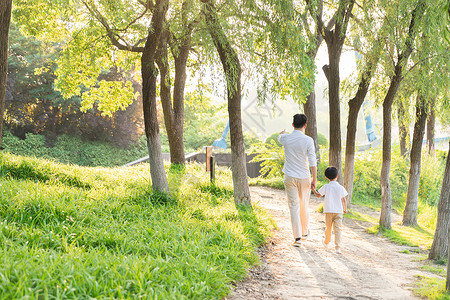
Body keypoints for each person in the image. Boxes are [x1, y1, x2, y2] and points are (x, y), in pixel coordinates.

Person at [278, 113, 317, 247]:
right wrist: (314, 179)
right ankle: (305, 232)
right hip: (304, 177)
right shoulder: (308, 140)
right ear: (305, 125)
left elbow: (280, 137)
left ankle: (297, 238)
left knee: (293, 206)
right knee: (304, 204)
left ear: (293, 124)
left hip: (289, 177)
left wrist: (283, 132)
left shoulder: (285, 138)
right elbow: (312, 161)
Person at [312, 167, 348, 254]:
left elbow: (318, 195)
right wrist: (345, 209)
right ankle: (338, 248)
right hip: (338, 211)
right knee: (338, 229)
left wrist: (313, 189)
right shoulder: (340, 187)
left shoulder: (326, 187)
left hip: (328, 211)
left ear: (326, 177)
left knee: (328, 228)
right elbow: (343, 199)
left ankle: (326, 242)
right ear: (337, 175)